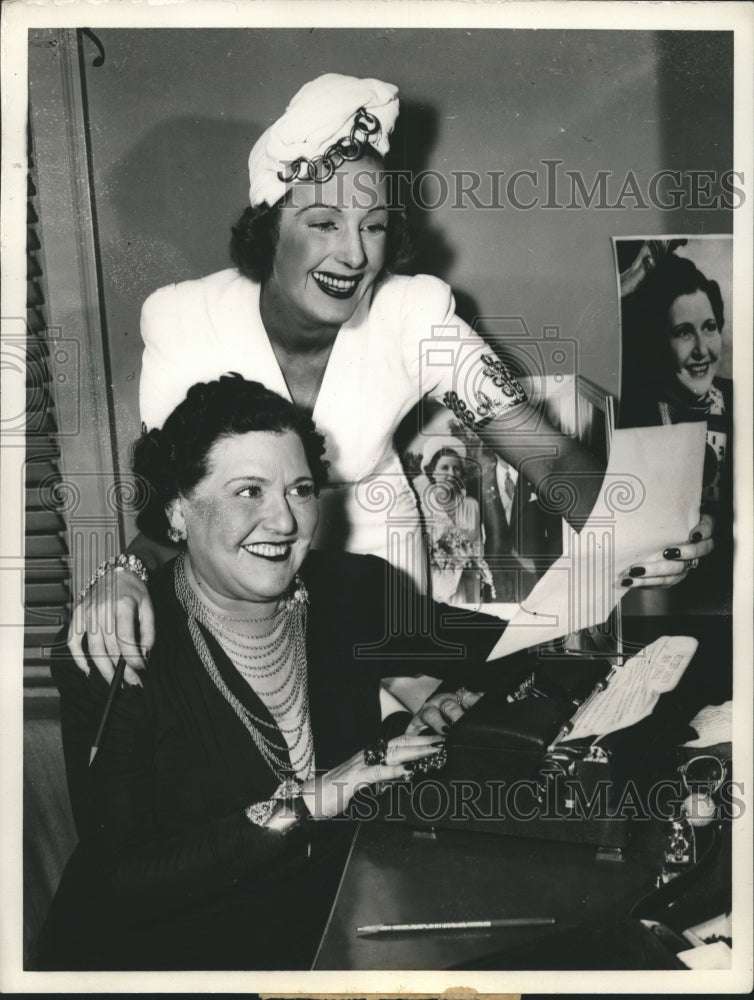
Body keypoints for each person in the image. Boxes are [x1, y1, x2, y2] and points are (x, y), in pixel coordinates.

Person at [69, 73, 712, 685]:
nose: (354, 255)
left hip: (377, 565)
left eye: (372, 226)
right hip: (238, 577)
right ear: (268, 230)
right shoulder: (184, 319)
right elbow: (167, 507)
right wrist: (121, 571)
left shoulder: (413, 312)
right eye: (324, 224)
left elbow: (548, 457)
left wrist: (646, 530)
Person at [39, 376, 526, 971]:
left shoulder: (350, 593)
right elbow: (123, 881)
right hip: (164, 960)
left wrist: (452, 700)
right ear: (177, 510)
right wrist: (315, 799)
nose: (284, 520)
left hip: (323, 928)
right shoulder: (117, 647)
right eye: (249, 491)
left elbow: (518, 645)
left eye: (300, 490)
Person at [618, 251, 731, 608]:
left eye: (709, 327)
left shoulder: (741, 402)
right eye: (683, 332)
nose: (702, 349)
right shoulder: (632, 411)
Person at [415, 436, 492, 605]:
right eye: (444, 468)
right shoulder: (421, 508)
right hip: (435, 586)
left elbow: (478, 545)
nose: (451, 474)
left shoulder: (472, 506)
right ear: (432, 472)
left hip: (468, 583)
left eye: (456, 468)